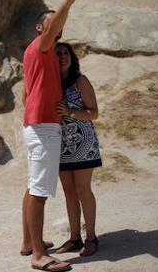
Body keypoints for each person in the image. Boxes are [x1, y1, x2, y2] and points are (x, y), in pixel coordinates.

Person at [20, 0, 84, 272]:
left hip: (36, 124)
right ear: (41, 28)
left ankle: (28, 243)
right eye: (53, 23)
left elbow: (25, 93)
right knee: (40, 191)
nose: (58, 27)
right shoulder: (42, 45)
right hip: (43, 127)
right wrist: (69, 0)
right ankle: (38, 256)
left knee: (32, 186)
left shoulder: (36, 54)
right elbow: (53, 27)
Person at [53, 42, 102, 257]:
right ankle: (74, 238)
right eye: (58, 54)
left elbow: (94, 113)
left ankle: (91, 237)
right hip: (60, 145)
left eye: (66, 53)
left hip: (83, 144)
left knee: (83, 190)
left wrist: (71, 112)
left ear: (72, 58)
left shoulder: (81, 81)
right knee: (68, 191)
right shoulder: (52, 82)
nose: (62, 56)